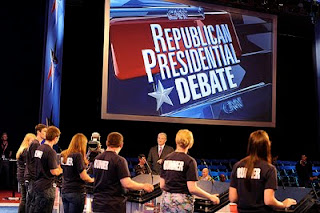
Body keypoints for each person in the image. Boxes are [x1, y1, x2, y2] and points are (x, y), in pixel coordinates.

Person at [229, 130, 297, 213]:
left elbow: (232, 198)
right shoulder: (269, 169)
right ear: (267, 146)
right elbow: (268, 200)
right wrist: (283, 204)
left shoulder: (237, 166)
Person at [93, 132, 154, 213]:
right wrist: (144, 186)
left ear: (107, 143)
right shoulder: (119, 160)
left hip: (98, 204)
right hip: (113, 206)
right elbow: (127, 184)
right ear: (121, 144)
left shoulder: (97, 158)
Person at [160, 129, 220, 212]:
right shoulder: (190, 161)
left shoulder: (166, 159)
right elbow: (192, 189)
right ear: (190, 143)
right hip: (182, 203)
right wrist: (210, 197)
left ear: (176, 141)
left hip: (166, 201)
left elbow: (162, 185)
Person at [29, 126, 63, 213]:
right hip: (46, 187)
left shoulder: (39, 148)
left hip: (37, 185)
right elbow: (54, 171)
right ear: (55, 138)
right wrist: (60, 170)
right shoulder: (51, 151)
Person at [60, 133, 94, 213]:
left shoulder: (64, 154)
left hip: (65, 191)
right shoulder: (78, 155)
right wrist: (92, 180)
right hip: (76, 192)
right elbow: (83, 176)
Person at [25, 124, 47, 213]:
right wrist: (36, 176)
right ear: (38, 132)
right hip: (33, 178)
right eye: (44, 131)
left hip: (33, 177)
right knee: (32, 202)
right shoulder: (35, 144)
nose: (46, 133)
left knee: (31, 201)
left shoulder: (36, 143)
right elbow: (33, 163)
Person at [16, 133, 36, 213]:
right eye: (32, 141)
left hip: (22, 176)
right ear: (28, 141)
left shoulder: (22, 150)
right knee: (25, 198)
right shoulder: (25, 151)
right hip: (24, 176)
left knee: (24, 197)